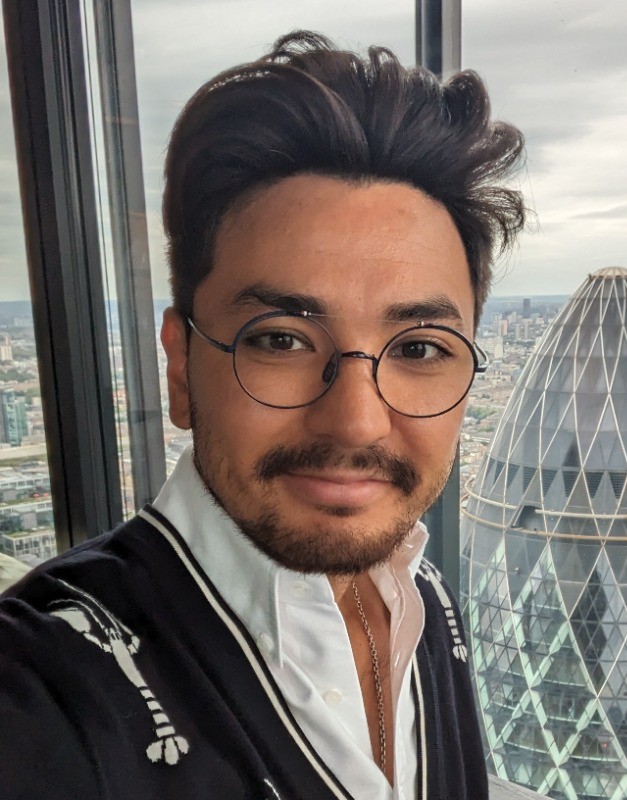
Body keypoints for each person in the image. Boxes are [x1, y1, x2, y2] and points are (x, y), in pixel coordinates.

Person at [0, 31, 525, 799]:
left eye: (418, 349)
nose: (355, 422)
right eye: (279, 340)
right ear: (181, 369)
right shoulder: (45, 693)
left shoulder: (427, 605)